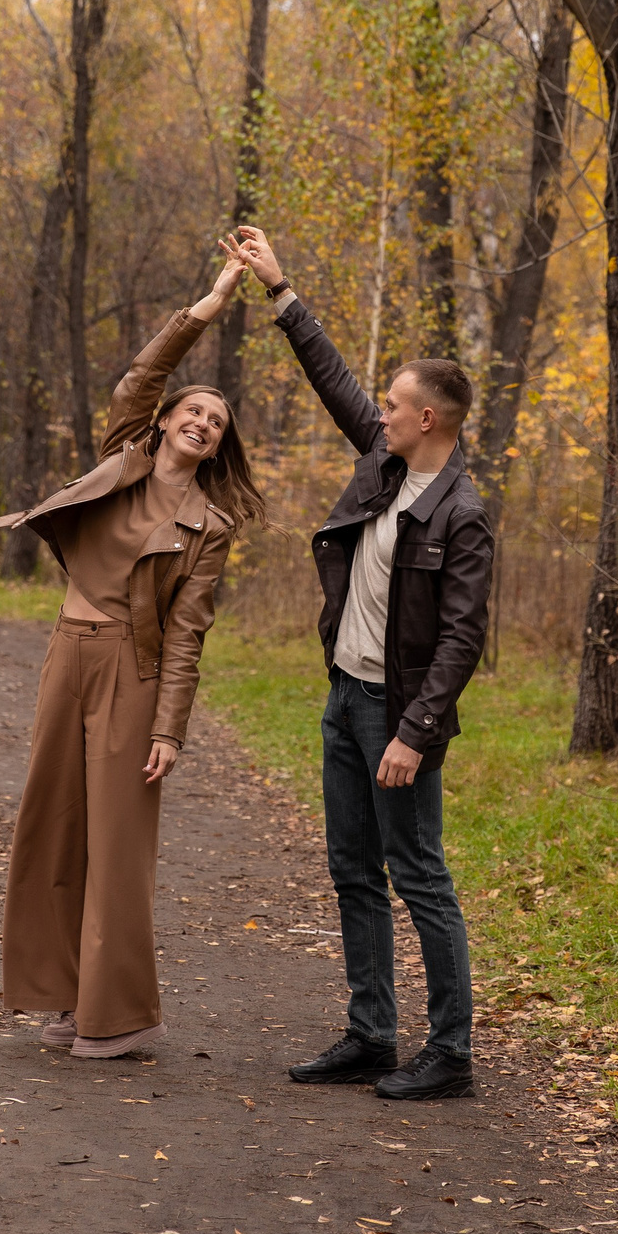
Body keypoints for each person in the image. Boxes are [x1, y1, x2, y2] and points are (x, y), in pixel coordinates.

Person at [0, 256, 262, 1060]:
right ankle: (62, 994)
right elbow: (140, 377)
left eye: (218, 420)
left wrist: (169, 730)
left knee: (116, 844)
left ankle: (119, 1015)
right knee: (53, 825)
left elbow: (186, 634)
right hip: (67, 655)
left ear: (219, 445)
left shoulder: (210, 527)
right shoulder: (125, 457)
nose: (205, 422)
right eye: (195, 410)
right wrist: (207, 304)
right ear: (168, 417)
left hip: (132, 675)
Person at [222, 225, 491, 1102]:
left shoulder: (463, 513)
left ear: (429, 419)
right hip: (346, 697)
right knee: (351, 868)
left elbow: (460, 639)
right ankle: (373, 1034)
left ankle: (449, 1051)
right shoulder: (383, 465)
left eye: (393, 401)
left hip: (399, 715)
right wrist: (279, 288)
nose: (379, 410)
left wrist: (415, 732)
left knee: (418, 872)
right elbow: (334, 381)